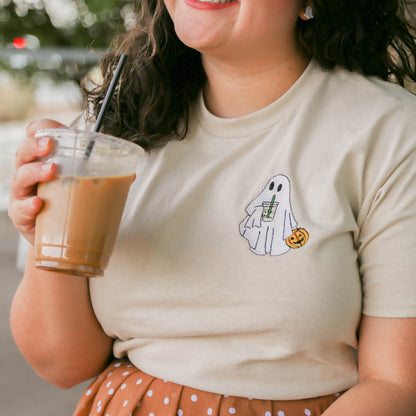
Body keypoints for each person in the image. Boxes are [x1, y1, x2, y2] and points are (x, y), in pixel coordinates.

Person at [8, 0, 416, 415]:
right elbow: (62, 363)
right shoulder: (115, 130)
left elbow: (395, 383)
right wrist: (47, 232)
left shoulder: (389, 133)